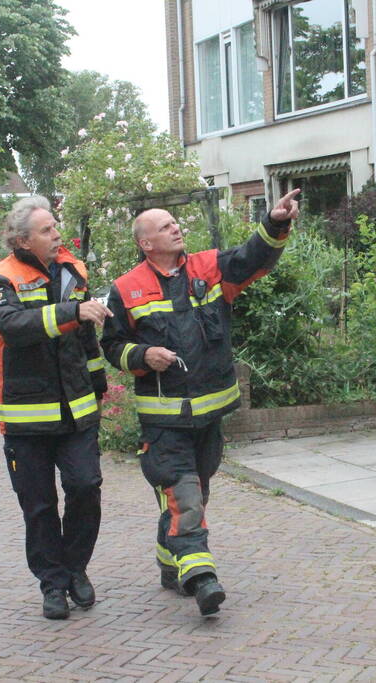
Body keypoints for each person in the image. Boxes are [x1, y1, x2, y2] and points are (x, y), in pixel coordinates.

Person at [100, 189, 300, 616]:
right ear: (146, 243)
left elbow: (254, 258)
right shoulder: (126, 289)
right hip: (164, 424)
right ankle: (202, 577)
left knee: (193, 496)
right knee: (185, 498)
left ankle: (170, 563)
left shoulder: (209, 268)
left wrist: (276, 221)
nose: (176, 228)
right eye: (165, 226)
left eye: (175, 222)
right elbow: (112, 346)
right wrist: (142, 355)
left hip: (209, 418)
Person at [0, 196, 113, 620]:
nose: (57, 235)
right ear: (23, 240)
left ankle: (74, 569)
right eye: (47, 230)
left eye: (56, 226)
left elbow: (86, 337)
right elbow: (14, 328)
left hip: (77, 412)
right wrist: (73, 311)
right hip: (27, 419)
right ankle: (52, 584)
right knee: (38, 507)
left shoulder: (74, 271)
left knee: (85, 487)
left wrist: (97, 382)